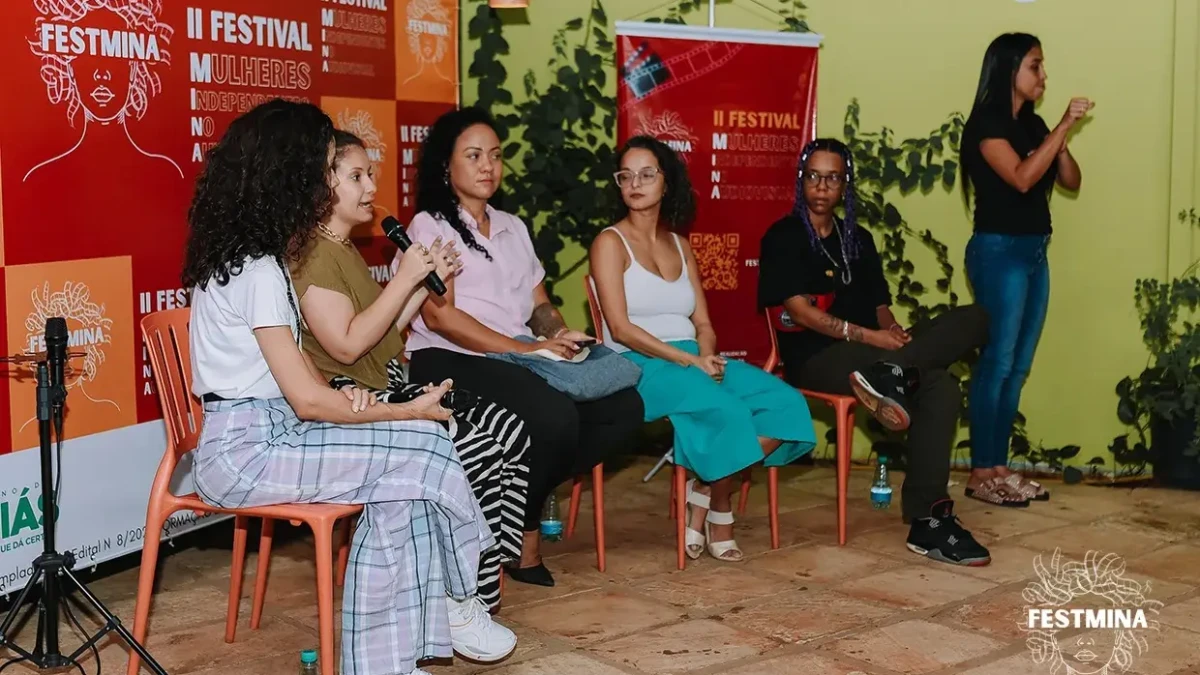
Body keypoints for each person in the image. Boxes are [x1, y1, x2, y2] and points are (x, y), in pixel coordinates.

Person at [182, 100, 515, 675]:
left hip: (272, 432)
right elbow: (306, 398)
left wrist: (361, 404)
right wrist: (402, 409)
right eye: (321, 168)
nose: (328, 180)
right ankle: (459, 599)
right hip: (246, 454)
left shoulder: (251, 257)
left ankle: (390, 662)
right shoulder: (261, 270)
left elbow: (300, 377)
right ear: (290, 176)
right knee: (426, 447)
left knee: (402, 487)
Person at [291, 130, 534, 612]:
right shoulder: (311, 254)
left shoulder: (344, 247)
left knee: (511, 431)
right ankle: (461, 600)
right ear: (322, 184)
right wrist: (404, 278)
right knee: (480, 452)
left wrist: (422, 287)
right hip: (356, 401)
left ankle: (483, 571)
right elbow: (346, 349)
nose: (370, 188)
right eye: (355, 176)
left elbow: (382, 340)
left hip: (386, 382)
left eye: (371, 175)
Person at [402, 107, 646, 587]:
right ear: (445, 167)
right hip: (450, 358)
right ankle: (524, 531)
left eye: (495, 155)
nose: (487, 166)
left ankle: (511, 501)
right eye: (473, 156)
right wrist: (525, 351)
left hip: (517, 352)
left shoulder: (512, 225)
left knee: (625, 406)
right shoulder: (429, 226)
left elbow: (539, 303)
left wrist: (555, 333)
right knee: (556, 418)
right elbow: (440, 316)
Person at [758, 138, 992, 567]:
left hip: (874, 355)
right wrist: (872, 339)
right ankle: (930, 514)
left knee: (974, 321)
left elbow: (880, 305)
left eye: (832, 177)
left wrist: (894, 333)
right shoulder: (783, 236)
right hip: (817, 359)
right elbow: (800, 313)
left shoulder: (859, 240)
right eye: (814, 176)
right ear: (801, 181)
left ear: (845, 185)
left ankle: (926, 518)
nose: (822, 186)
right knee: (939, 384)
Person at [590, 136, 817, 562]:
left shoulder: (681, 246)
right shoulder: (609, 243)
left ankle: (703, 489)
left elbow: (703, 323)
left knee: (785, 403)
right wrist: (689, 360)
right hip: (639, 364)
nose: (635, 183)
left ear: (666, 183)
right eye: (626, 175)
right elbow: (619, 329)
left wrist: (706, 355)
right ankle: (720, 510)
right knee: (726, 410)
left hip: (692, 358)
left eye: (646, 174)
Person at [960, 33, 1092, 505]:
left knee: (1016, 366)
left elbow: (1071, 180)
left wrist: (1058, 137)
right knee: (995, 363)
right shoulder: (986, 124)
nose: (1043, 76)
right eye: (1035, 66)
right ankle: (981, 473)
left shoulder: (1034, 125)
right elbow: (1020, 179)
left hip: (1035, 251)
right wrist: (1059, 128)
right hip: (999, 252)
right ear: (1010, 68)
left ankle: (1000, 468)